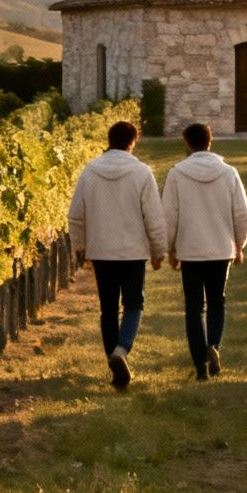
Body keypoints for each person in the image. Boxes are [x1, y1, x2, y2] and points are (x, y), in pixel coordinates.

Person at [66, 120, 165, 390]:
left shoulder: (90, 171)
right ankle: (121, 350)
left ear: (109, 140)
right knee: (133, 305)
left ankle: (114, 363)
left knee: (107, 309)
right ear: (133, 141)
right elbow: (154, 218)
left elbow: (75, 216)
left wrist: (80, 248)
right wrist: (158, 251)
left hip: (102, 250)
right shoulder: (142, 173)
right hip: (133, 252)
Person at [162, 123, 247, 380]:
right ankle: (213, 344)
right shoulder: (229, 173)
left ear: (187, 144)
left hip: (190, 250)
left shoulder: (177, 174)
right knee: (217, 301)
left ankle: (200, 366)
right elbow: (242, 215)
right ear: (210, 142)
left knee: (194, 308)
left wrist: (170, 248)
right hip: (220, 248)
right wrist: (239, 244)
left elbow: (169, 216)